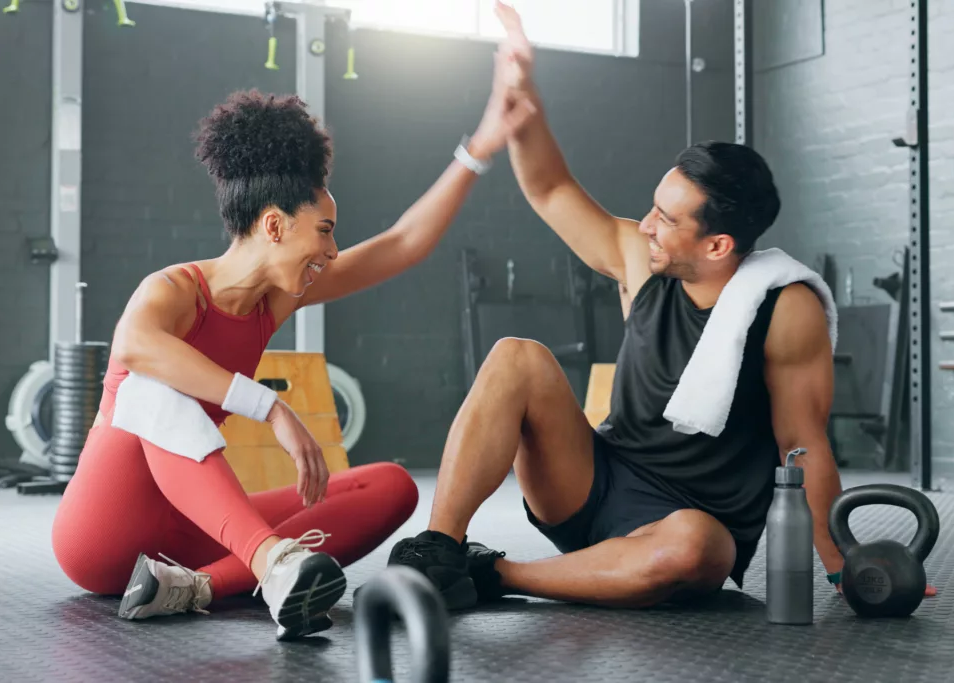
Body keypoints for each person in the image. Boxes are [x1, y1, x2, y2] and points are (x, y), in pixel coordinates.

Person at [385, 1, 856, 611]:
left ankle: (491, 577)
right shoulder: (642, 258)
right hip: (592, 479)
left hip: (689, 523)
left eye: (668, 217)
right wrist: (520, 92)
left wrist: (844, 567)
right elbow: (552, 189)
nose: (649, 223)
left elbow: (803, 443)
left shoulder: (786, 308)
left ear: (718, 244)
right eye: (654, 205)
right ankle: (439, 552)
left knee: (698, 551)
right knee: (516, 357)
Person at [51, 76, 536, 640]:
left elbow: (402, 244)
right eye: (325, 232)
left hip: (186, 537)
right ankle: (269, 564)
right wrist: (273, 409)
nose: (331, 251)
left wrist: (478, 148)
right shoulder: (173, 290)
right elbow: (137, 348)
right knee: (154, 383)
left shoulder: (271, 301)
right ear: (275, 225)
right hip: (101, 533)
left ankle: (196, 586)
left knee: (389, 486)